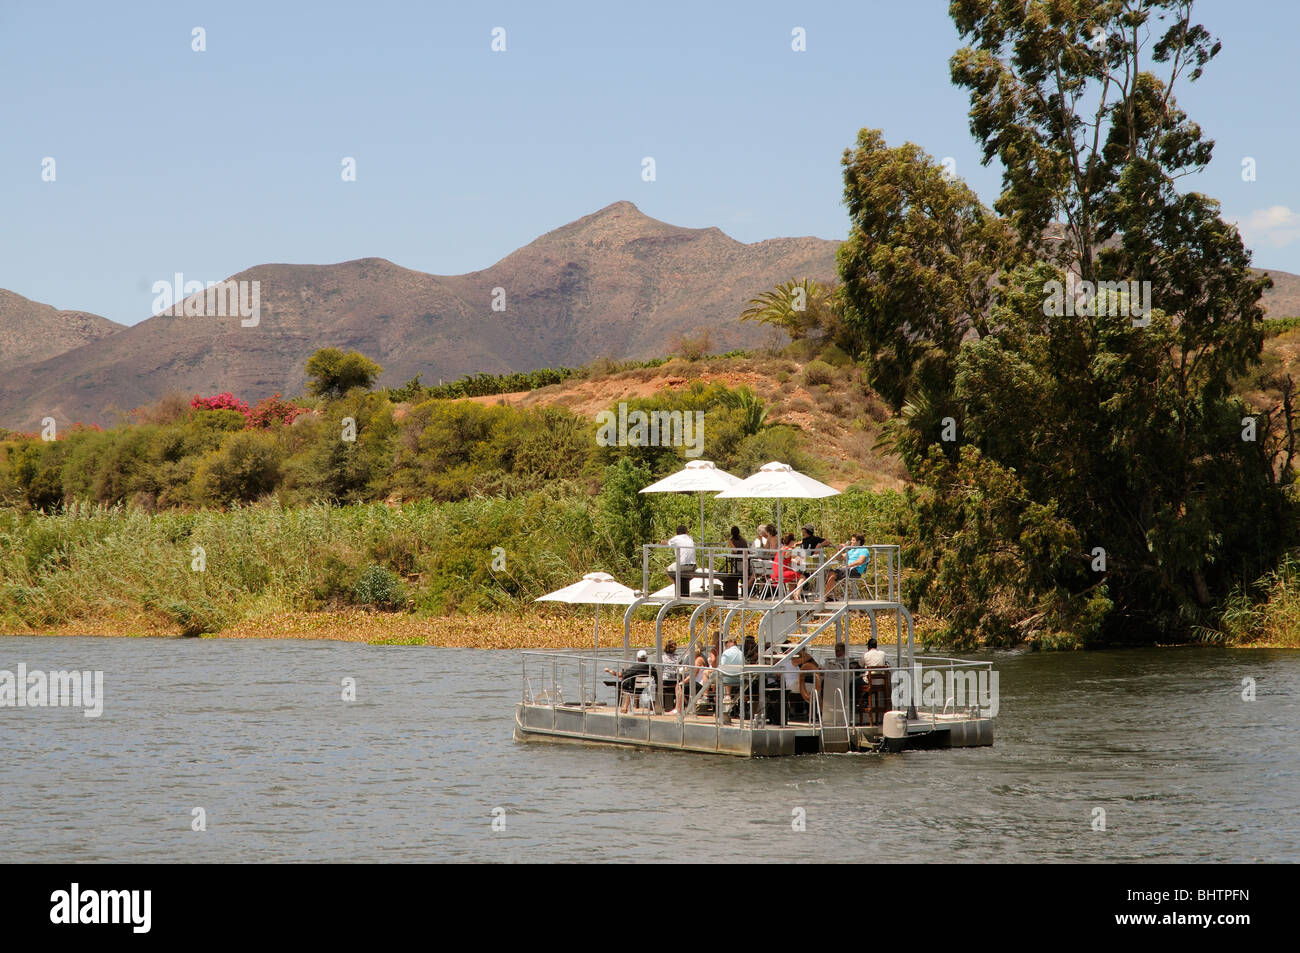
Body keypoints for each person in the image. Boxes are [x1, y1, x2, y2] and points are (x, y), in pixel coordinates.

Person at [666, 524, 697, 596]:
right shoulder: (690, 538)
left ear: (677, 533)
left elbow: (667, 543)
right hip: (693, 566)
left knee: (667, 569)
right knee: (683, 576)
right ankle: (681, 586)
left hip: (682, 566)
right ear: (686, 532)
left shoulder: (676, 538)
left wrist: (662, 542)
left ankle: (676, 585)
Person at [660, 640, 681, 712]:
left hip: (666, 680)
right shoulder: (678, 657)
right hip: (675, 681)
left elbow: (660, 670)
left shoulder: (662, 657)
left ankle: (659, 706)